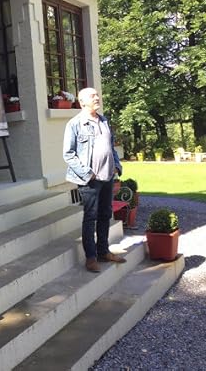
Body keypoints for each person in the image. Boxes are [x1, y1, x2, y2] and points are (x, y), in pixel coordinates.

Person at [63, 87, 126, 273]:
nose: (97, 98)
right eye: (92, 96)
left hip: (108, 176)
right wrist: (87, 173)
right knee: (90, 217)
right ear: (82, 102)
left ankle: (103, 251)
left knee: (105, 214)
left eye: (97, 95)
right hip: (89, 179)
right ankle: (91, 258)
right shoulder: (75, 124)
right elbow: (68, 154)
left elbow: (111, 147)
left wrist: (116, 166)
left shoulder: (104, 120)